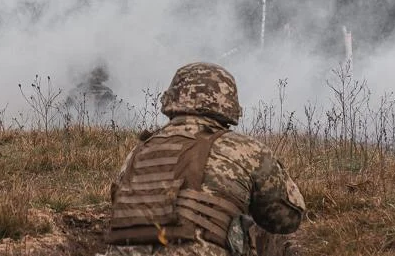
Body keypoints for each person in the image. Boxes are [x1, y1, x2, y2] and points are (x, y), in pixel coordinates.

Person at [102, 62, 305, 256]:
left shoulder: (137, 153)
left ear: (172, 99)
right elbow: (287, 218)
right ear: (228, 104)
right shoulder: (246, 150)